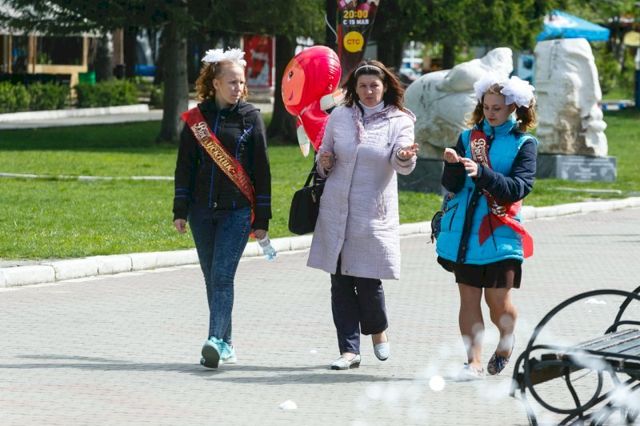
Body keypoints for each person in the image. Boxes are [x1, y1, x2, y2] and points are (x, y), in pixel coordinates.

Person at [307, 60, 419, 370]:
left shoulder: (399, 120)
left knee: (368, 281)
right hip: (336, 210)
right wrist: (325, 162)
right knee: (340, 283)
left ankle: (378, 330)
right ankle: (349, 350)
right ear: (354, 89)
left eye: (374, 86)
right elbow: (324, 155)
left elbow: (403, 162)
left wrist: (403, 156)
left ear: (385, 87)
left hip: (371, 213)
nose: (369, 91)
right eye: (363, 86)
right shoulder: (340, 116)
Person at [173, 48, 271, 369]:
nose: (238, 88)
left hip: (237, 212)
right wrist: (180, 209)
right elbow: (184, 167)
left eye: (241, 82)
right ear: (215, 83)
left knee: (222, 276)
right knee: (211, 277)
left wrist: (262, 217)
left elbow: (262, 170)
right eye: (231, 82)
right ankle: (226, 344)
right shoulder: (196, 120)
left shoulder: (250, 117)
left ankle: (214, 340)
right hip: (201, 212)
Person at [435, 73, 537, 380]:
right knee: (468, 299)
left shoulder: (524, 143)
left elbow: (519, 187)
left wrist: (482, 173)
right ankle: (473, 362)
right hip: (464, 233)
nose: (490, 113)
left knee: (498, 303)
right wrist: (452, 166)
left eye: (497, 108)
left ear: (513, 108)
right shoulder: (468, 138)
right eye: (487, 107)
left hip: (499, 234)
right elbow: (452, 186)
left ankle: (507, 340)